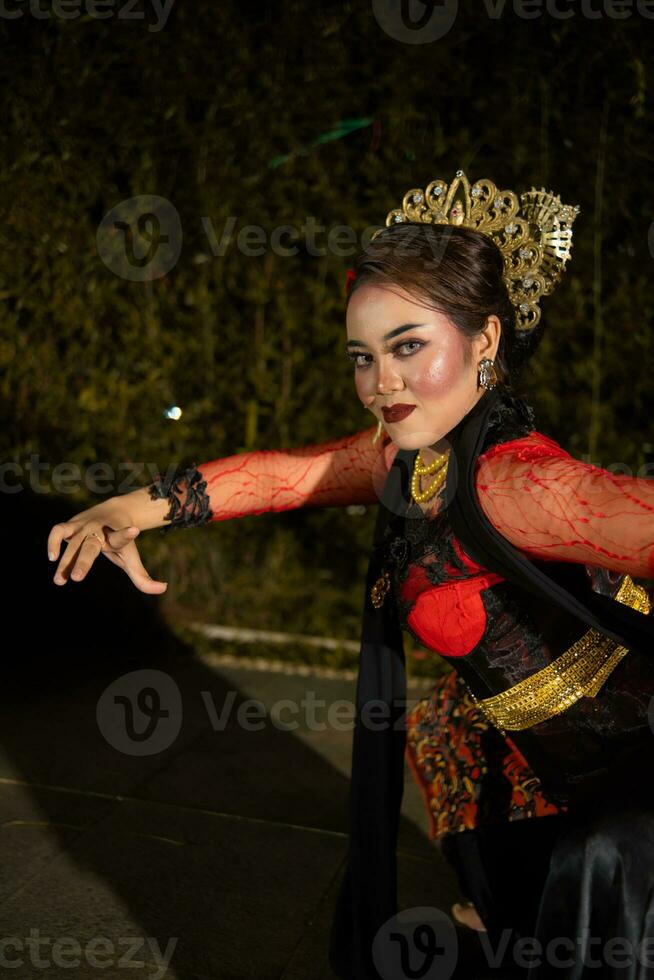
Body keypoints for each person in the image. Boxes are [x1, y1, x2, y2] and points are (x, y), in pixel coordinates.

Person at [46, 170, 654, 980]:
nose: (382, 385)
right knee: (446, 728)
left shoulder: (518, 485)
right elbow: (284, 476)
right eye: (363, 358)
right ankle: (512, 905)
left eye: (409, 348)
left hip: (633, 763)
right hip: (543, 749)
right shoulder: (406, 458)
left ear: (487, 341)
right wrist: (131, 509)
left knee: (601, 875)